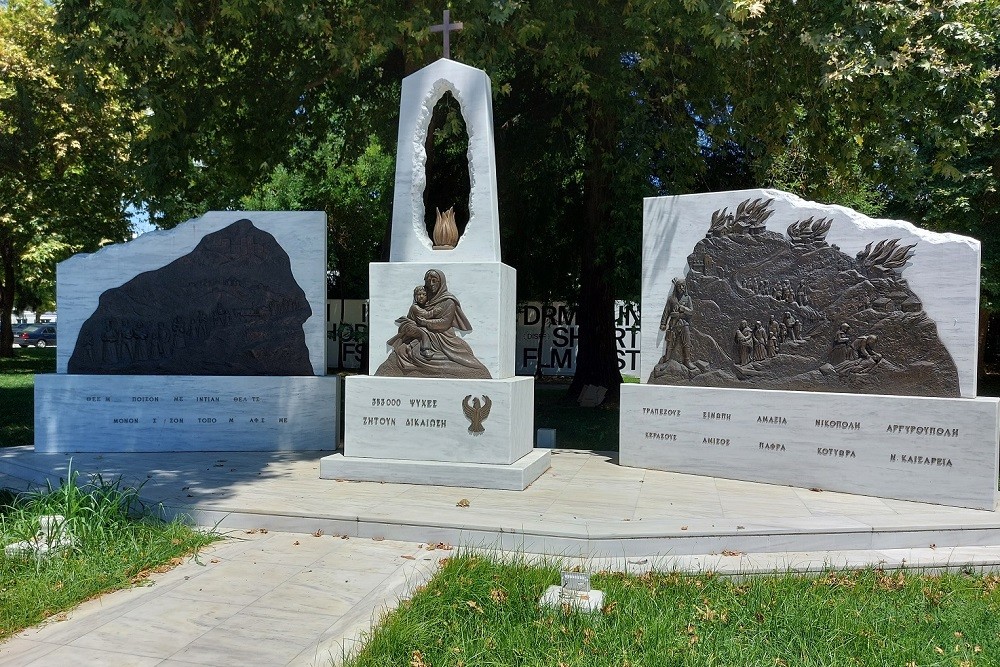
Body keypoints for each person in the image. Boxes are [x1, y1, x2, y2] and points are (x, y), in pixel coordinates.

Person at [375, 269, 491, 379]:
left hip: (443, 336)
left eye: (434, 280)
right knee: (406, 351)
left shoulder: (448, 301)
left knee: (463, 359)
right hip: (425, 332)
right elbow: (415, 315)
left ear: (441, 282)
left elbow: (444, 323)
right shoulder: (424, 298)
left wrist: (425, 322)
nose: (431, 284)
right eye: (428, 280)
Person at [387, 286, 436, 359]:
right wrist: (436, 311)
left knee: (424, 334)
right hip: (409, 327)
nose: (421, 297)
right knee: (424, 333)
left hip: (415, 326)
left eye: (424, 295)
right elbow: (426, 315)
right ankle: (425, 350)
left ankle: (410, 346)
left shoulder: (423, 306)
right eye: (419, 295)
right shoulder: (415, 307)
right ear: (415, 296)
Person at [659, 278, 696, 370]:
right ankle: (666, 361)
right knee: (670, 343)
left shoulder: (687, 298)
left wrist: (683, 309)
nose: (682, 288)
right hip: (673, 324)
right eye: (679, 286)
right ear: (676, 287)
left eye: (683, 286)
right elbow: (666, 312)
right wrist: (663, 323)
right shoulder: (671, 299)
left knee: (687, 343)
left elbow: (691, 311)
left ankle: (687, 361)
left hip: (684, 324)